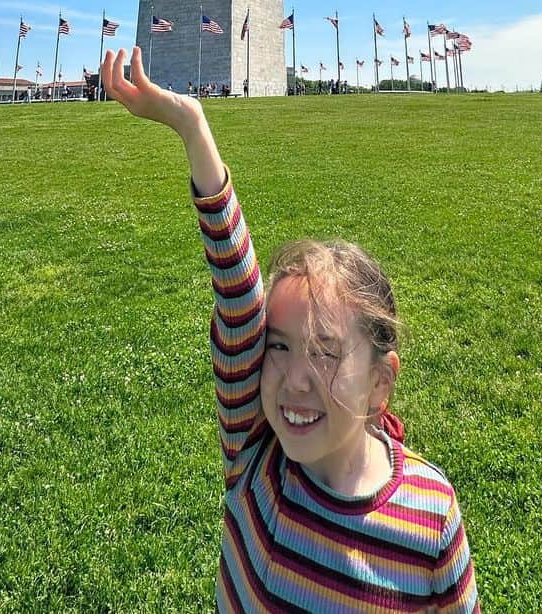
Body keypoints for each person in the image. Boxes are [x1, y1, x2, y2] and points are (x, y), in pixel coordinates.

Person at [101, 46, 479, 611]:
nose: (295, 379)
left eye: (325, 353)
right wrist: (194, 128)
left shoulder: (431, 514)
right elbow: (237, 290)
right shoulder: (254, 449)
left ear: (380, 382)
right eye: (278, 347)